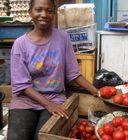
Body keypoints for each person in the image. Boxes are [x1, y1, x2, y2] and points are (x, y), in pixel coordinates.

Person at [7, 0, 98, 140]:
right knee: (17, 137)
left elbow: (73, 74)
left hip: (55, 98)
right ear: (30, 12)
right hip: (25, 101)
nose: (44, 14)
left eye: (49, 10)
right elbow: (22, 85)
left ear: (54, 14)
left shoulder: (63, 38)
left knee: (43, 137)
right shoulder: (20, 44)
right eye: (38, 10)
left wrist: (96, 92)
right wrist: (47, 104)